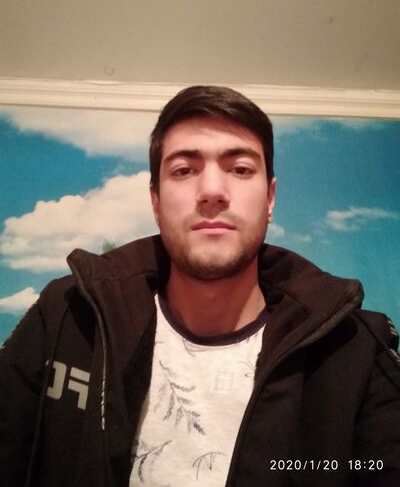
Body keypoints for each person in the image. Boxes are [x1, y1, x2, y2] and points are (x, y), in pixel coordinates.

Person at [1, 85, 399, 487]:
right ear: (156, 202)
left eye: (240, 169)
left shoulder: (354, 351)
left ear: (270, 199)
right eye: (183, 170)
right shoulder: (67, 316)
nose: (211, 191)